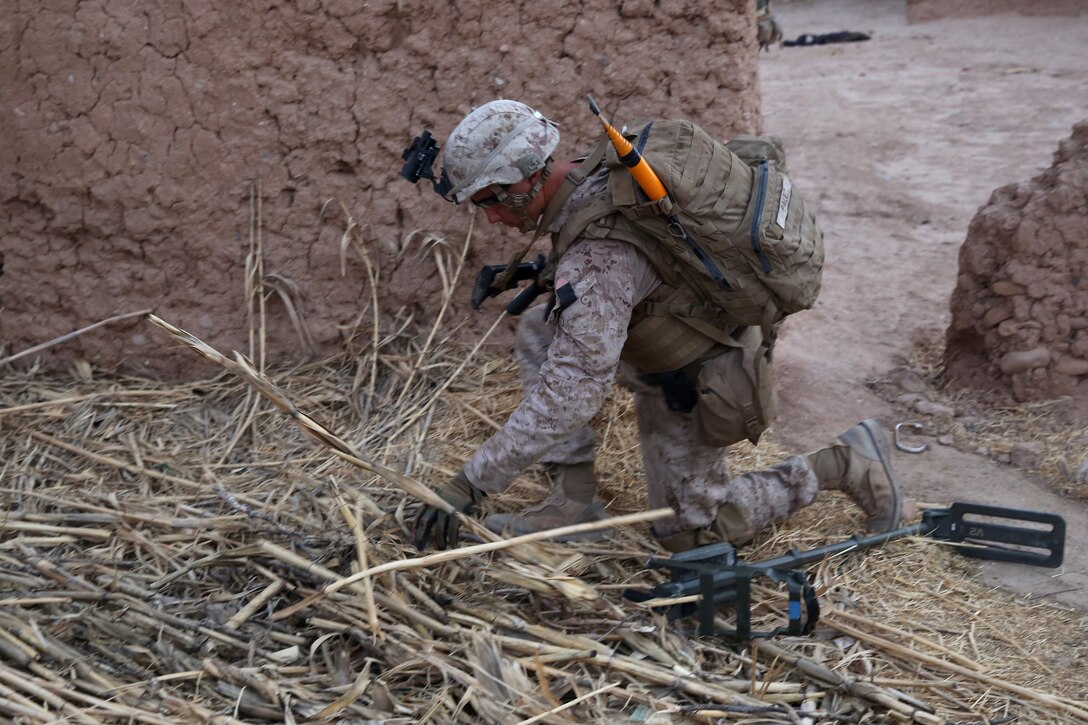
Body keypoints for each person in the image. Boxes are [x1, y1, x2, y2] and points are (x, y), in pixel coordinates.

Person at [412, 99, 903, 551]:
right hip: (670, 334)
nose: (492, 218)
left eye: (488, 201)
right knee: (542, 327)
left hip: (703, 370)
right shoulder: (593, 172)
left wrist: (472, 482)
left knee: (693, 540)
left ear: (522, 179)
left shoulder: (597, 253)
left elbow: (574, 391)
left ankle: (845, 463)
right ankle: (573, 498)